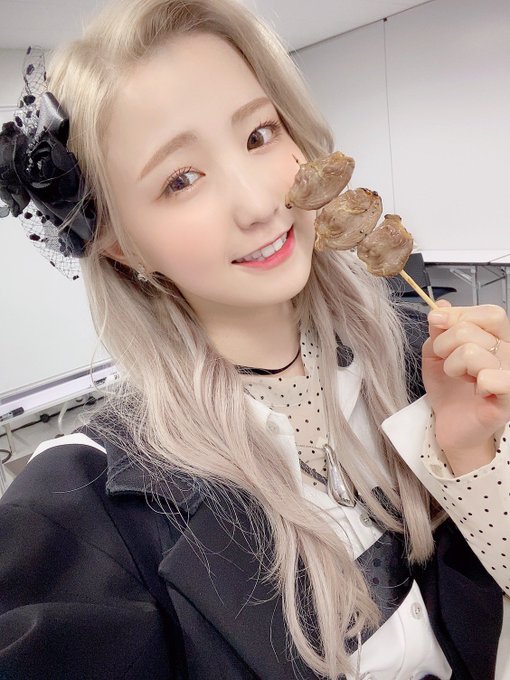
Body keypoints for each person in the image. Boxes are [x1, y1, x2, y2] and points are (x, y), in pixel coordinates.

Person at [0, 0, 508, 678]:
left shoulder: (425, 359)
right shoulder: (81, 505)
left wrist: (472, 456)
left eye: (259, 134)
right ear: (120, 244)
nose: (260, 203)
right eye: (180, 180)